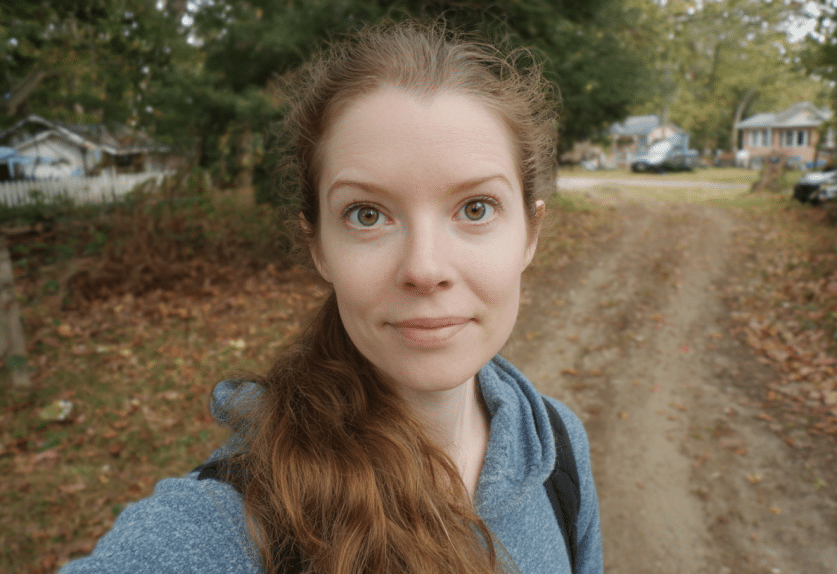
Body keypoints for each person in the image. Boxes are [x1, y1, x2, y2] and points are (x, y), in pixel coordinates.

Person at [59, 19, 602, 574]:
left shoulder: (558, 448)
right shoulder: (234, 527)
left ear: (530, 234)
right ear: (318, 246)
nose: (424, 268)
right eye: (367, 215)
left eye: (476, 208)